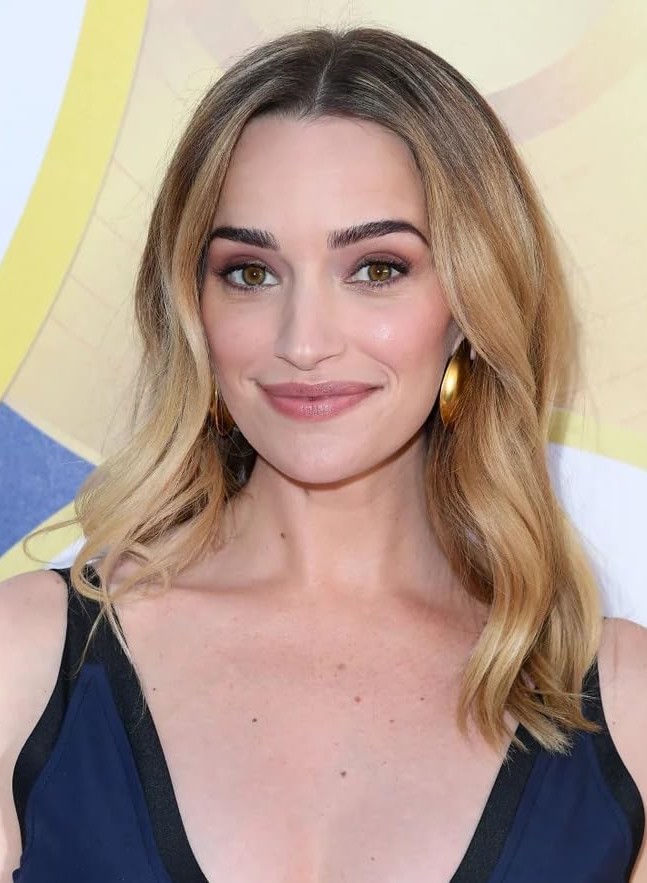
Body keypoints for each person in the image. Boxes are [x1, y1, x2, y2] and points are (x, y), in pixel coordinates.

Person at [1, 24, 645, 883]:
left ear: (470, 302)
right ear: (193, 307)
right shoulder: (25, 661)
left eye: (376, 268)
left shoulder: (625, 707)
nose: (303, 341)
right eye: (250, 272)